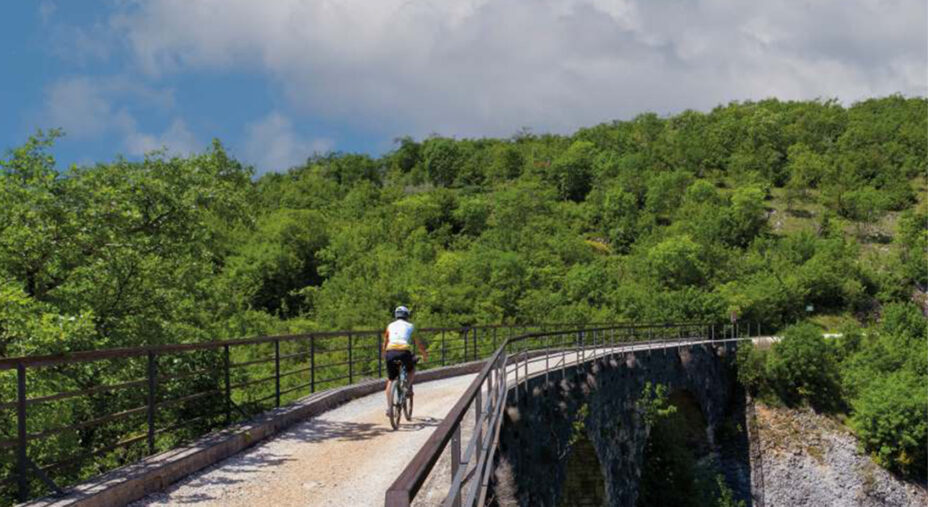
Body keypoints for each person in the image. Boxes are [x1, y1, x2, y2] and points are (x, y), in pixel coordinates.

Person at [383, 305, 428, 417]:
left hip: (390, 353)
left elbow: (385, 342)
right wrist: (424, 354)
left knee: (390, 379)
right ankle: (407, 388)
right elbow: (418, 343)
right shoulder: (411, 326)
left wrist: (384, 354)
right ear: (407, 316)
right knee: (411, 369)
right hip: (404, 352)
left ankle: (389, 408)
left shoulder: (390, 326)